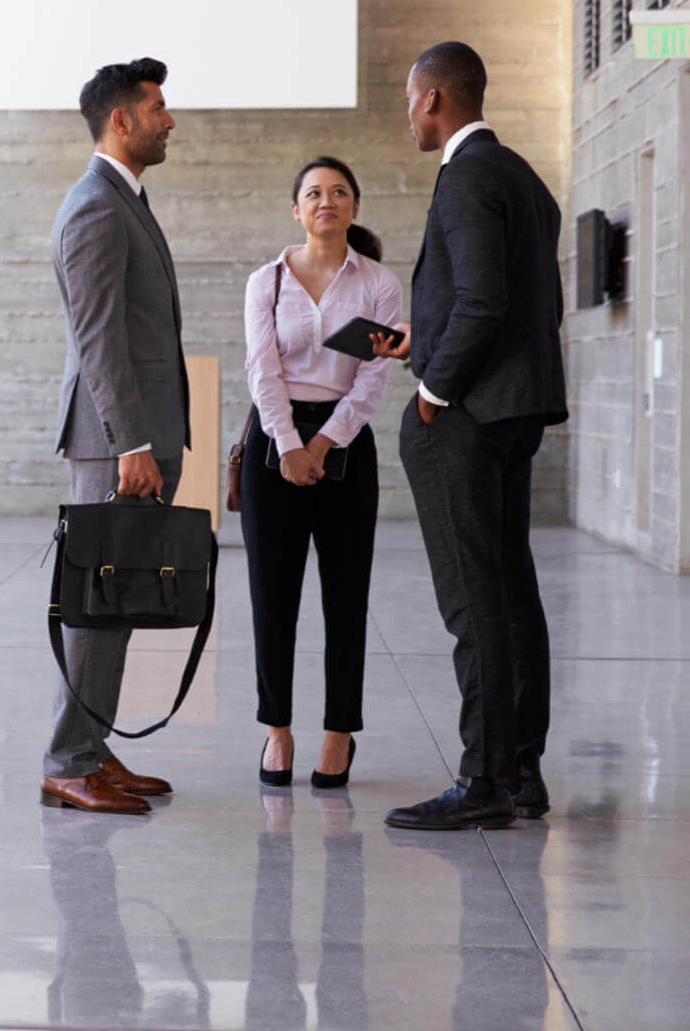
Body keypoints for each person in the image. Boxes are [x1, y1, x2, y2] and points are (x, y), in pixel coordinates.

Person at [372, 41, 568, 831]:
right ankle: (520, 767)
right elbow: (515, 300)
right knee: (510, 585)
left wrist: (431, 388)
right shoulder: (521, 175)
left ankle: (481, 779)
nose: (407, 115)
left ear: (433, 100)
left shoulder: (464, 176)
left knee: (472, 598)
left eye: (409, 100)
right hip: (514, 408)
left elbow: (484, 302)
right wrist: (419, 341)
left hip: (469, 414)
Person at [40, 57, 187, 816]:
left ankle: (90, 750)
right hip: (114, 442)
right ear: (120, 119)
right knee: (98, 605)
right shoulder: (95, 206)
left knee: (118, 600)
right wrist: (131, 442)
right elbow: (98, 339)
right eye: (157, 107)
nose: (169, 119)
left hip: (136, 437)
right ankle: (67, 761)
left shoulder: (123, 199)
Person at [242, 158, 403, 790]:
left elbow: (373, 380)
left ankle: (339, 735)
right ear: (296, 210)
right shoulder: (267, 282)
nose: (325, 201)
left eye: (338, 192)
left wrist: (325, 444)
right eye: (313, 193)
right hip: (272, 445)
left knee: (346, 597)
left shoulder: (379, 284)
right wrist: (288, 444)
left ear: (354, 208)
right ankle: (276, 730)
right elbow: (262, 371)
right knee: (271, 597)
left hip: (347, 446)